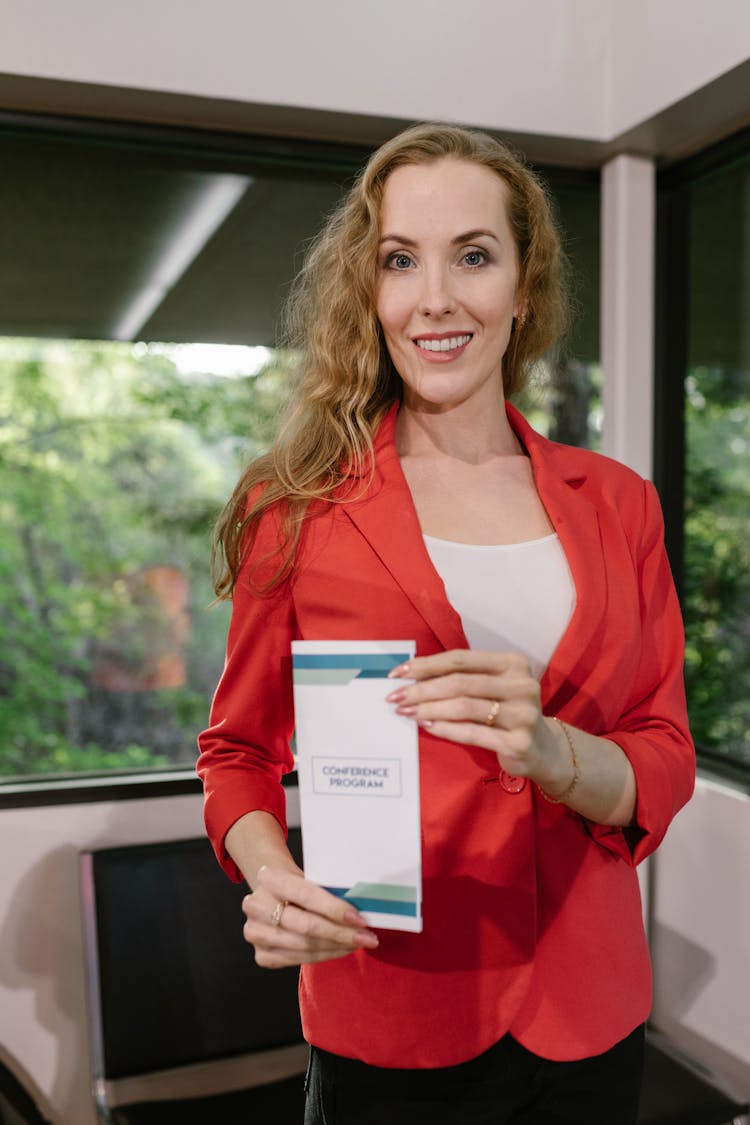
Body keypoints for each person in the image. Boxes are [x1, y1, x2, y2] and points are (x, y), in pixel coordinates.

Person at [197, 123, 695, 1124]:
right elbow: (238, 751)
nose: (435, 298)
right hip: (389, 1010)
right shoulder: (291, 505)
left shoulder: (621, 504)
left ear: (523, 284)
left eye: (473, 255)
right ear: (369, 292)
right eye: (398, 261)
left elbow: (663, 749)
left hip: (587, 1012)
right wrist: (272, 873)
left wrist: (557, 753)